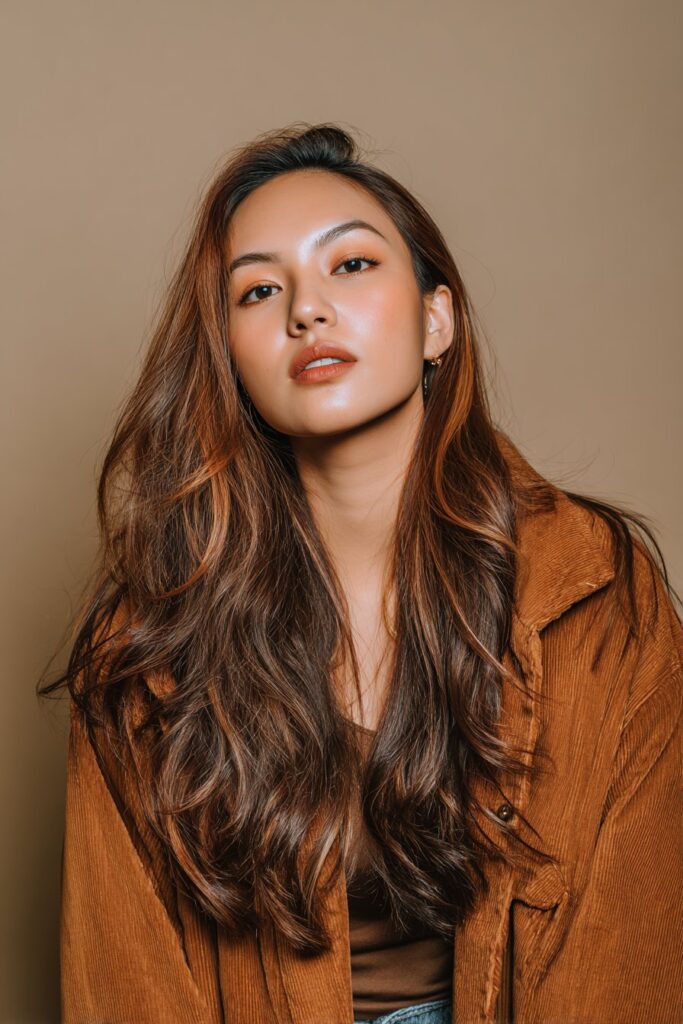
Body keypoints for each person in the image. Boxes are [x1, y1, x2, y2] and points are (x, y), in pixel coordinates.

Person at [38, 123, 682, 1024]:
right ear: (230, 359)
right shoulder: (148, 647)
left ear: (435, 319)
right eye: (259, 290)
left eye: (349, 266)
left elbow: (633, 954)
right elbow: (127, 983)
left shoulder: (594, 590)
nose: (306, 310)